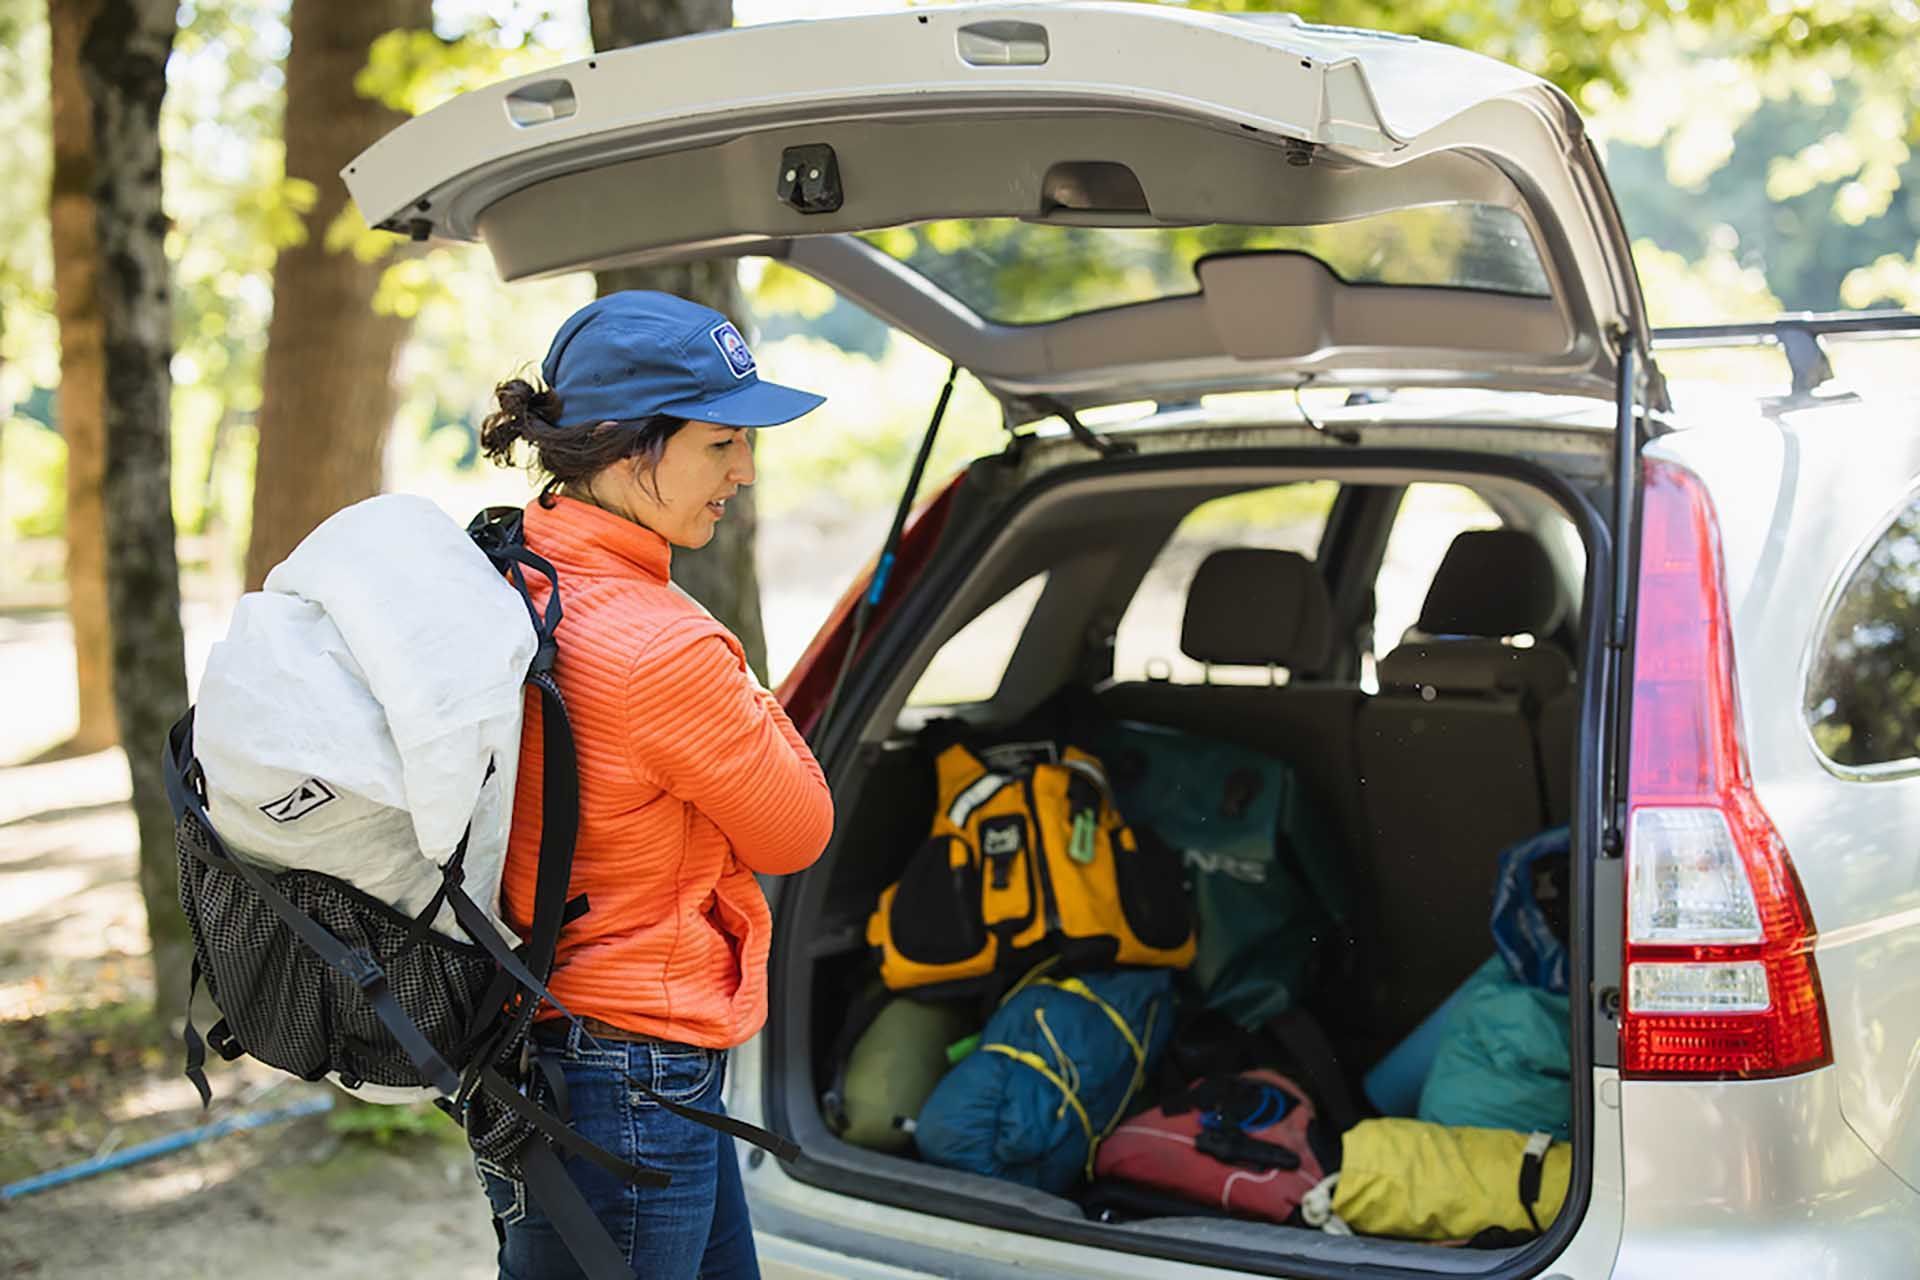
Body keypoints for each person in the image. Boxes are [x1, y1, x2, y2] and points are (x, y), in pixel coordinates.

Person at [472, 290, 836, 1279]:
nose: (745, 471)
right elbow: (798, 829)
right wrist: (737, 676)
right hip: (629, 1076)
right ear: (635, 445)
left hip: (553, 1044)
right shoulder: (662, 643)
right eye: (722, 442)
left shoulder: (518, 567)